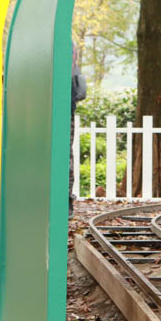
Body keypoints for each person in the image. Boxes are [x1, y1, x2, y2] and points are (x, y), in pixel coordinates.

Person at [68, 42, 87, 217]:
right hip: (67, 108)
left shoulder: (66, 44)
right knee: (66, 155)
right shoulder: (68, 44)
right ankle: (67, 200)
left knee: (65, 156)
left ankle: (67, 199)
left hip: (65, 108)